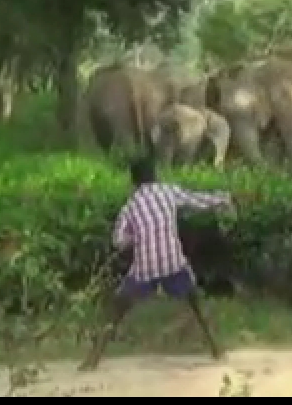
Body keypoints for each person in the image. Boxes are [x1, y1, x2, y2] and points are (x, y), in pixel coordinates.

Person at [79, 153, 233, 371]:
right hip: (173, 262)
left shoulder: (130, 206)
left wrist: (136, 236)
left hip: (144, 268)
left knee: (117, 308)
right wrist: (222, 198)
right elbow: (197, 201)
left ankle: (91, 360)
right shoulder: (167, 192)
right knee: (195, 302)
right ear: (154, 175)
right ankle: (217, 349)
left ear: (133, 181)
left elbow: (119, 241)